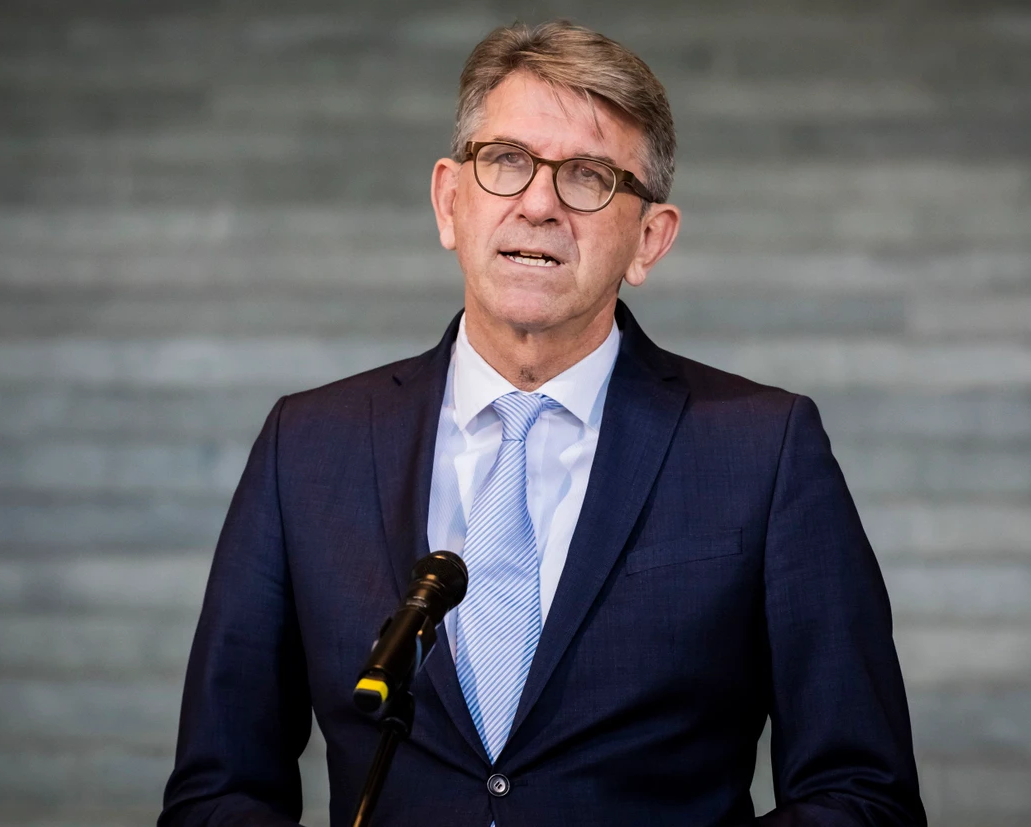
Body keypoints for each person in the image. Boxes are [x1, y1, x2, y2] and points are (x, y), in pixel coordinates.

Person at [160, 20, 926, 827]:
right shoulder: (308, 447)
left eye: (589, 177)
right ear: (449, 202)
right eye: (506, 163)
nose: (537, 203)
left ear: (649, 240)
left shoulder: (763, 450)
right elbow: (218, 791)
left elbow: (861, 794)